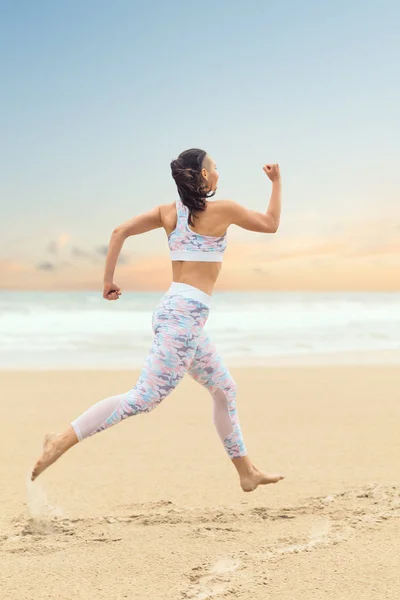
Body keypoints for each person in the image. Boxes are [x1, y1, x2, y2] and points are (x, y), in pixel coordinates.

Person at [31, 148, 283, 493]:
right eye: (215, 167)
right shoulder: (225, 210)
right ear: (205, 176)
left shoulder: (169, 213)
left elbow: (120, 231)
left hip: (177, 313)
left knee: (224, 389)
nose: (218, 172)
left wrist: (108, 281)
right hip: (183, 318)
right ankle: (60, 438)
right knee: (144, 397)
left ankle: (246, 473)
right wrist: (276, 182)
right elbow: (270, 224)